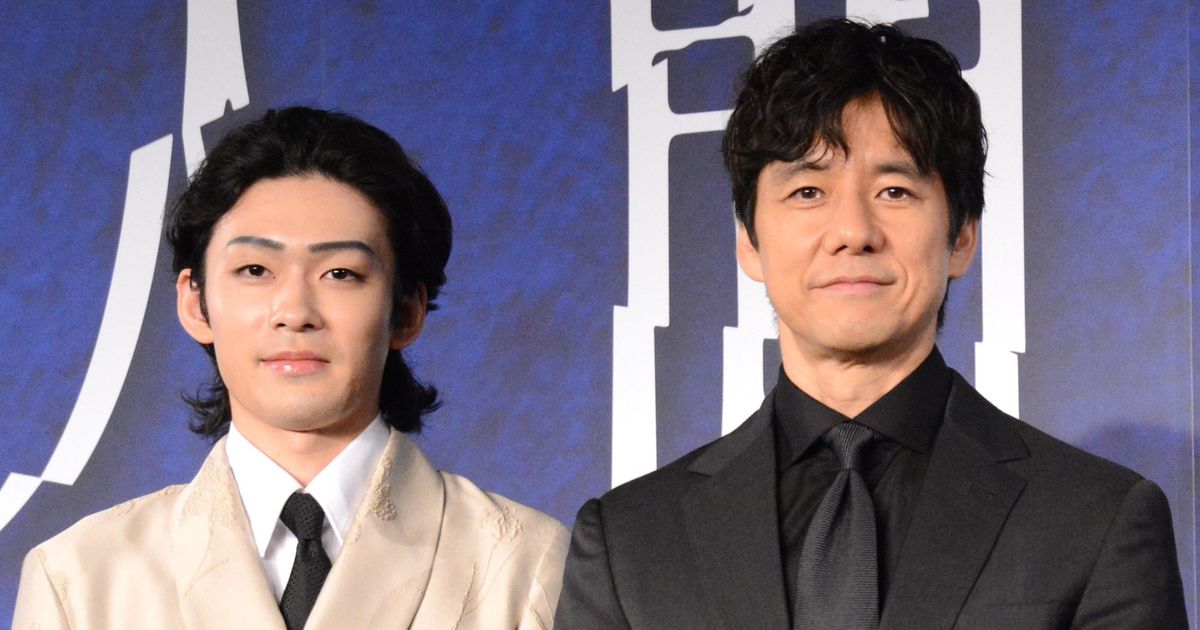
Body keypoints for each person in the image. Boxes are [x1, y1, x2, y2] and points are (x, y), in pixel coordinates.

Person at [555, 19, 1187, 629]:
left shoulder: (1096, 521)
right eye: (808, 192)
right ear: (748, 241)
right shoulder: (630, 544)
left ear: (962, 236)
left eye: (895, 191)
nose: (853, 232)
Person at [14, 107, 568, 630]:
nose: (295, 312)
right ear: (195, 303)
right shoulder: (81, 579)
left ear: (406, 311)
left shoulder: (527, 564)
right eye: (255, 270)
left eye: (341, 274)